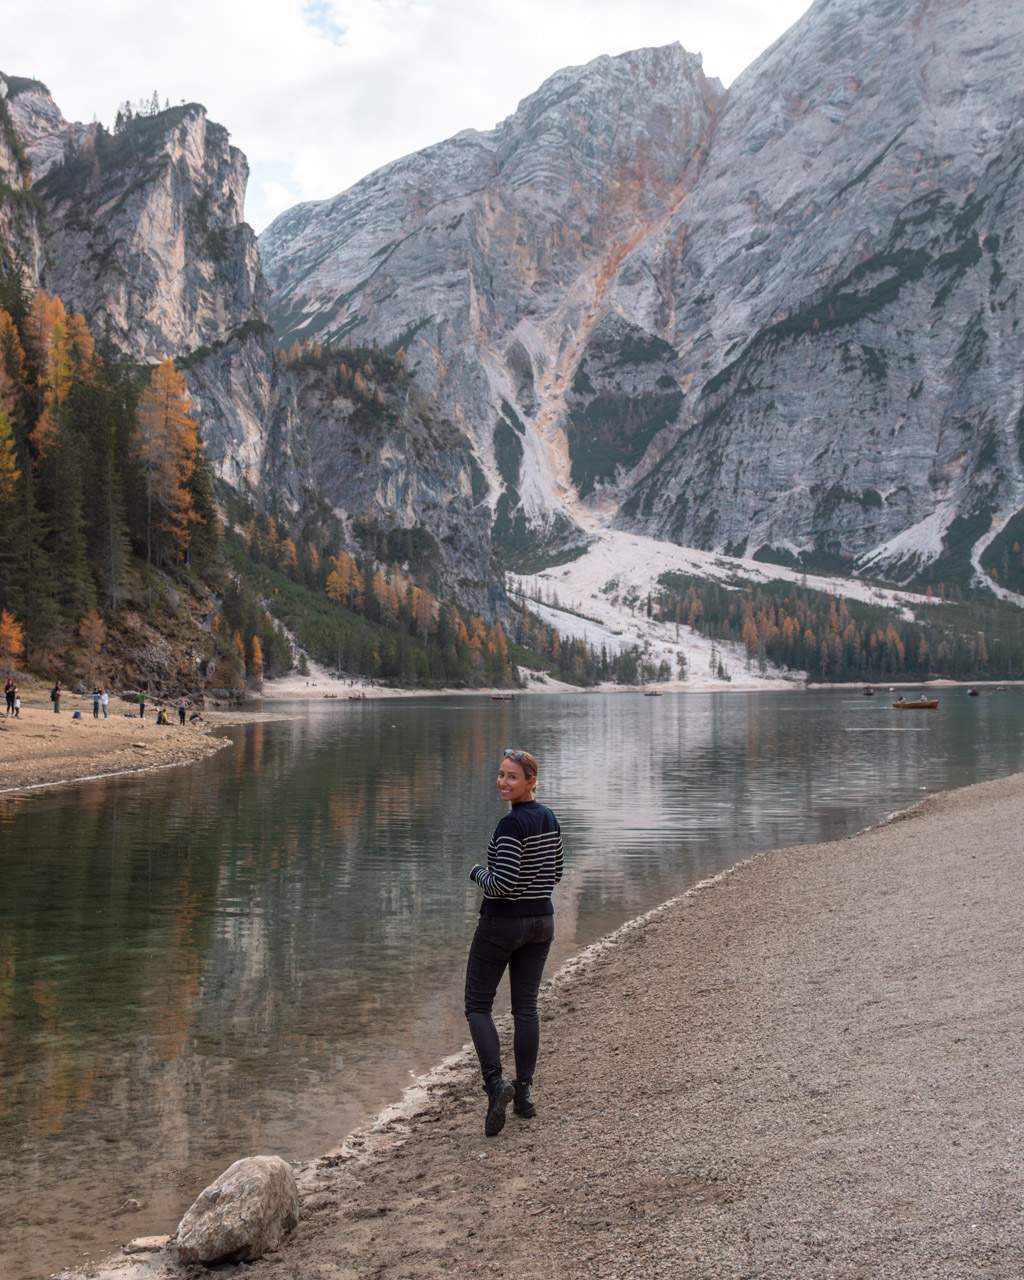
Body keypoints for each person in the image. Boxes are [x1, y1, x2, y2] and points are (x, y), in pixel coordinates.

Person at [464, 748, 564, 1137]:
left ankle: (495, 1086)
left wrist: (477, 873)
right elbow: (556, 872)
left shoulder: (511, 827)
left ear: (531, 781)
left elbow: (502, 883)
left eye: (512, 777)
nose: (503, 782)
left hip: (503, 924)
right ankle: (523, 1096)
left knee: (476, 1005)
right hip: (542, 922)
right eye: (501, 774)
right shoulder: (550, 817)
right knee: (525, 1008)